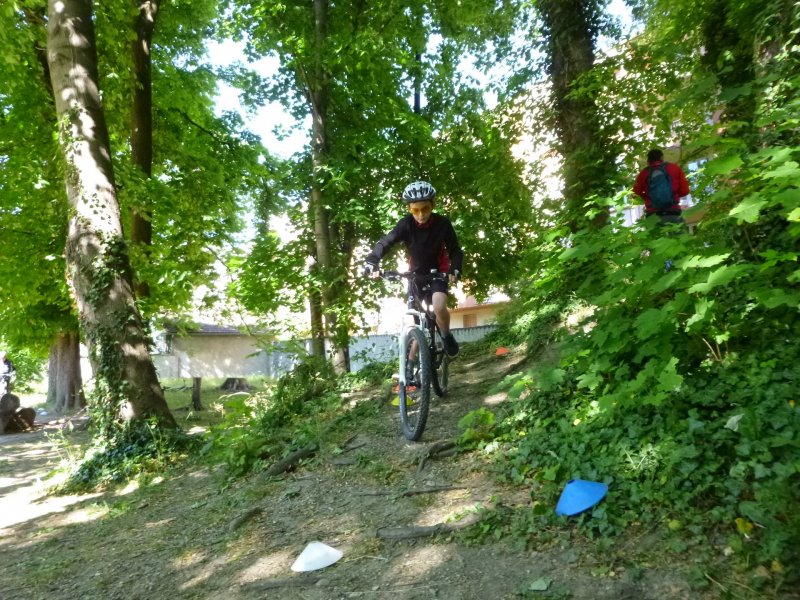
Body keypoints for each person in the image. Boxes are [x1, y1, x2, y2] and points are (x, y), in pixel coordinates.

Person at [365, 180, 464, 358]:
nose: (421, 214)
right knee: (414, 321)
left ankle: (446, 336)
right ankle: (411, 367)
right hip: (415, 274)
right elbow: (386, 242)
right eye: (415, 210)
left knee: (439, 305)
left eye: (425, 209)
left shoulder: (443, 224)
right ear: (410, 208)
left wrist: (454, 269)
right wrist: (373, 261)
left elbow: (455, 250)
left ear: (432, 205)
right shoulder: (406, 224)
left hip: (438, 272)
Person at [633, 148, 691, 226]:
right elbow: (685, 191)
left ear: (648, 160)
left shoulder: (643, 174)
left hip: (653, 215)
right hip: (673, 212)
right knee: (678, 237)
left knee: (656, 237)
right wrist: (672, 195)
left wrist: (647, 198)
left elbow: (635, 195)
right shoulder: (674, 168)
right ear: (662, 158)